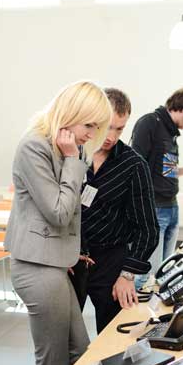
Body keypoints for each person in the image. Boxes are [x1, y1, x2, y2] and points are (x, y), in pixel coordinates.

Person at [5, 80, 112, 365]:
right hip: (36, 268)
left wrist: (69, 252)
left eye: (96, 127)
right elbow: (60, 212)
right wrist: (72, 160)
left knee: (79, 353)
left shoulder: (68, 150)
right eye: (88, 125)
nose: (91, 135)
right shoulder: (34, 147)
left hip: (53, 264)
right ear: (70, 113)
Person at [69, 88, 159, 333]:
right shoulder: (71, 153)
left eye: (119, 129)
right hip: (70, 259)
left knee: (112, 339)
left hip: (111, 262)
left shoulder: (134, 165)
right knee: (65, 337)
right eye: (107, 127)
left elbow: (148, 229)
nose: (111, 136)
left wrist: (127, 275)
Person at [131, 88, 183, 289]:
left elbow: (165, 172)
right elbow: (134, 167)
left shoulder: (171, 134)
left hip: (171, 207)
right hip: (154, 208)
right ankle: (130, 307)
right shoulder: (149, 123)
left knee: (164, 274)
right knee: (147, 275)